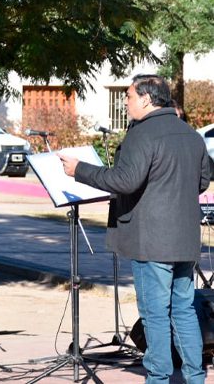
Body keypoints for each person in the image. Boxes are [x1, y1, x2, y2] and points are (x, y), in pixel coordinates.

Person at [59, 74, 211, 384]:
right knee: (183, 309)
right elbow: (203, 179)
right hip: (183, 238)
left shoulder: (142, 134)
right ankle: (195, 378)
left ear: (146, 98)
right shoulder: (191, 134)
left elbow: (124, 180)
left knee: (156, 313)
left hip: (151, 240)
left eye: (128, 97)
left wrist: (80, 170)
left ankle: (158, 378)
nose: (125, 103)